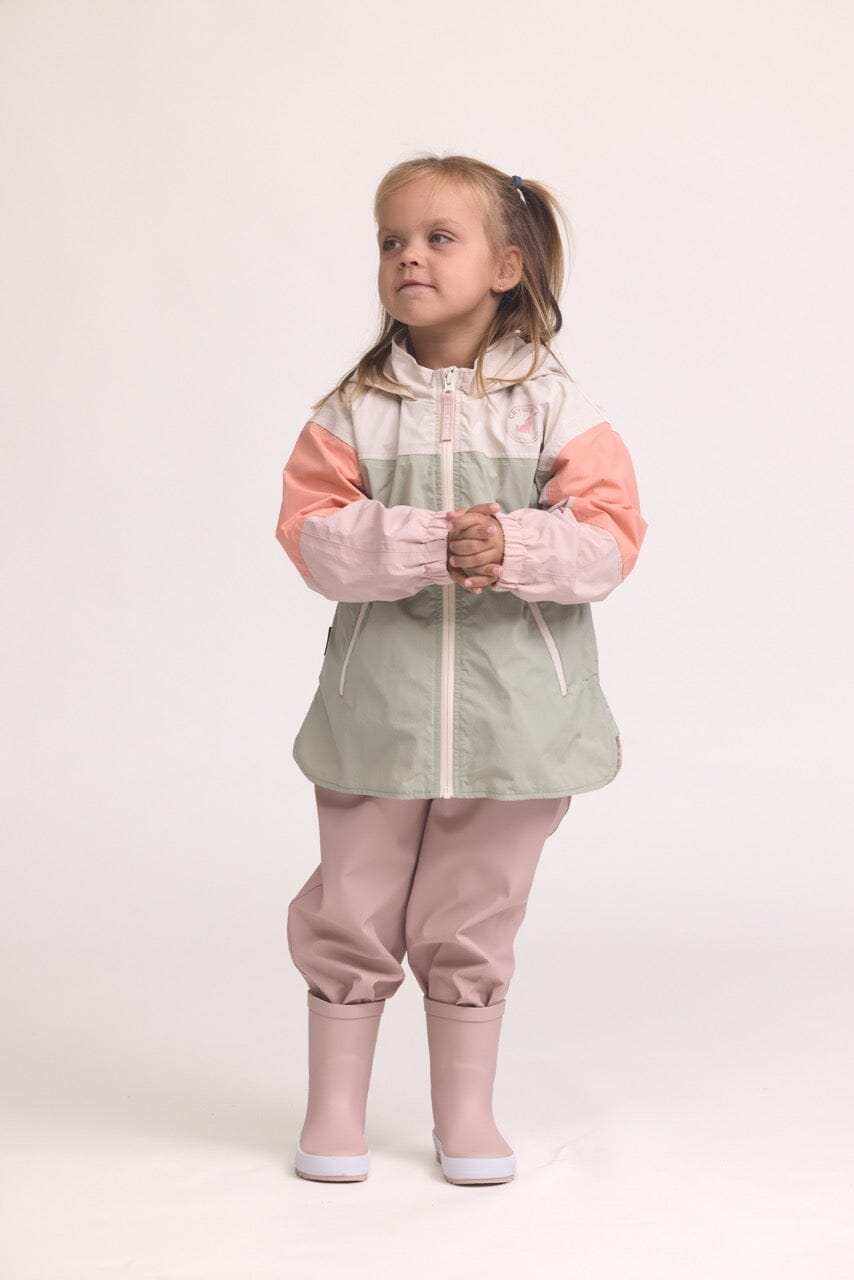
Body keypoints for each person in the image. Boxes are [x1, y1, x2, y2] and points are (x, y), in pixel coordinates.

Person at [274, 154, 648, 1186]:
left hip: (515, 721)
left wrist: (515, 545)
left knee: (474, 916)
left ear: (505, 267)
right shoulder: (352, 408)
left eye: (438, 238)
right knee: (351, 907)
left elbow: (610, 542)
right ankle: (334, 1109)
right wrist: (417, 543)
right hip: (379, 713)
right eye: (391, 240)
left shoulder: (557, 407)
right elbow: (308, 536)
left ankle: (464, 1113)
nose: (408, 257)